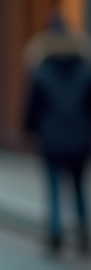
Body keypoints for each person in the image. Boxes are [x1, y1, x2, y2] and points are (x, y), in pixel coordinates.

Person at [22, 14, 91, 255]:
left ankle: (55, 233)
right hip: (81, 137)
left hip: (51, 137)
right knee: (79, 186)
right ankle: (83, 229)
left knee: (53, 186)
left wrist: (28, 130)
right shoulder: (84, 69)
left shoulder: (41, 70)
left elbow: (31, 107)